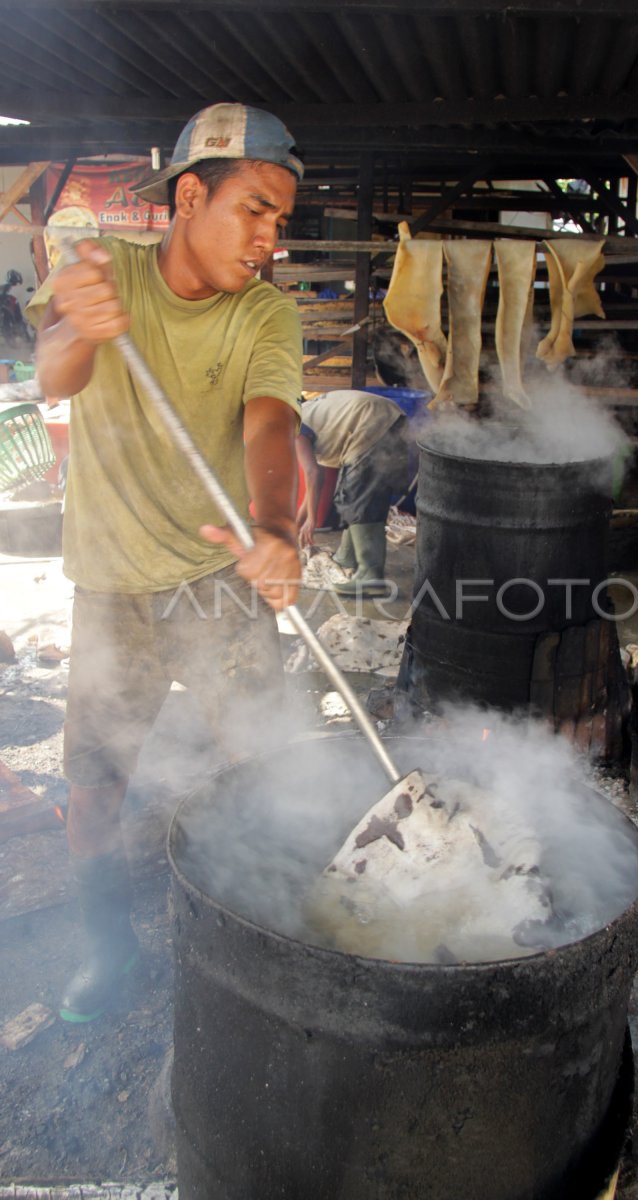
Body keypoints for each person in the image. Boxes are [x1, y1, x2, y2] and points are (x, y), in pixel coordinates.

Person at [28, 102, 305, 1023]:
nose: (269, 238)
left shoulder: (265, 312)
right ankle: (109, 953)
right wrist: (79, 324)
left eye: (280, 220)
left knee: (269, 768)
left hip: (220, 584)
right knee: (95, 786)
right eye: (255, 209)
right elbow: (54, 374)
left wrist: (278, 529)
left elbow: (271, 421)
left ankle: (275, 951)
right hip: (110, 584)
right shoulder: (106, 276)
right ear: (191, 195)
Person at [295, 389, 409, 597]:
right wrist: (297, 523)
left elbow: (313, 475)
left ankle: (370, 577)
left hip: (372, 421)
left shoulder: (292, 426)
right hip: (390, 419)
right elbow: (314, 481)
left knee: (358, 497)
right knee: (357, 495)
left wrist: (310, 520)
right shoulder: (302, 413)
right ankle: (348, 557)